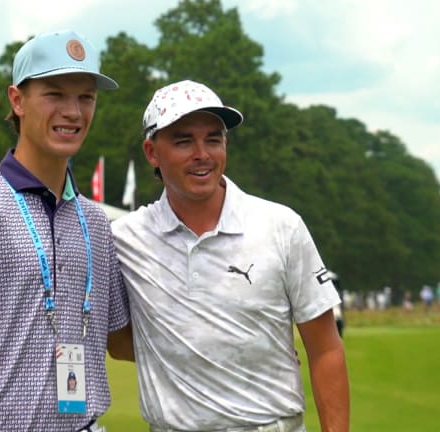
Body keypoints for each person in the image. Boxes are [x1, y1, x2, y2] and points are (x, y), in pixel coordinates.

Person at [0, 30, 132, 432]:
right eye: (55, 94)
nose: (74, 111)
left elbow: (121, 342)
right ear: (17, 100)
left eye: (86, 97)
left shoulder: (95, 222)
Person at [112, 80, 350, 432]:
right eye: (183, 141)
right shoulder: (124, 240)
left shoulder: (280, 226)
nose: (202, 153)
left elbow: (326, 349)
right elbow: (117, 342)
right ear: (152, 152)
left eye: (214, 138)